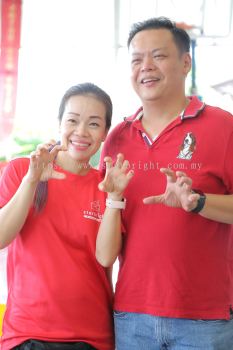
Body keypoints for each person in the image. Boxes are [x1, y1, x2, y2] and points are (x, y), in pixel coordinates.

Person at [96, 17, 233, 350]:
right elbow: (105, 236)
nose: (146, 67)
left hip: (205, 319)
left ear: (186, 62)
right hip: (132, 315)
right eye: (136, 59)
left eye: (158, 55)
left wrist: (198, 202)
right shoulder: (116, 139)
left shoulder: (222, 126)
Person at [0, 82, 115, 350]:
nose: (81, 132)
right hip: (27, 334)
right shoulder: (22, 171)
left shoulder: (108, 186)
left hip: (92, 338)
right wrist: (32, 180)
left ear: (105, 133)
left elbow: (107, 258)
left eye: (94, 124)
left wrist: (115, 198)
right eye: (72, 120)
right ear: (59, 124)